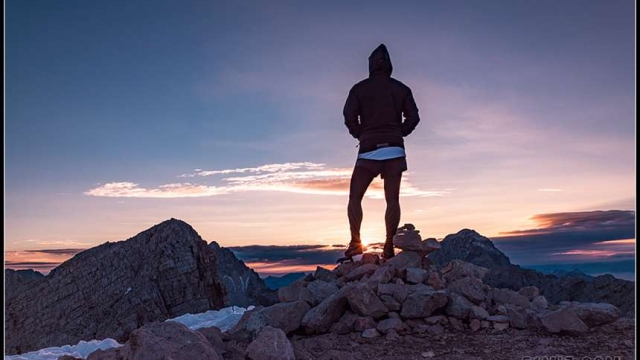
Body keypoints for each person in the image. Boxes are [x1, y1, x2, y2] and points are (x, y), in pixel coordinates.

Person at [343, 43, 420, 260]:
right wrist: (398, 133)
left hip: (368, 150)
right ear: (389, 65)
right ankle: (388, 246)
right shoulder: (402, 88)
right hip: (395, 150)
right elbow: (413, 117)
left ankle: (356, 244)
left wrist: (361, 135)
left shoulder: (359, 89)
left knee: (355, 197)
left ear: (370, 65)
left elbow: (349, 117)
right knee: (392, 199)